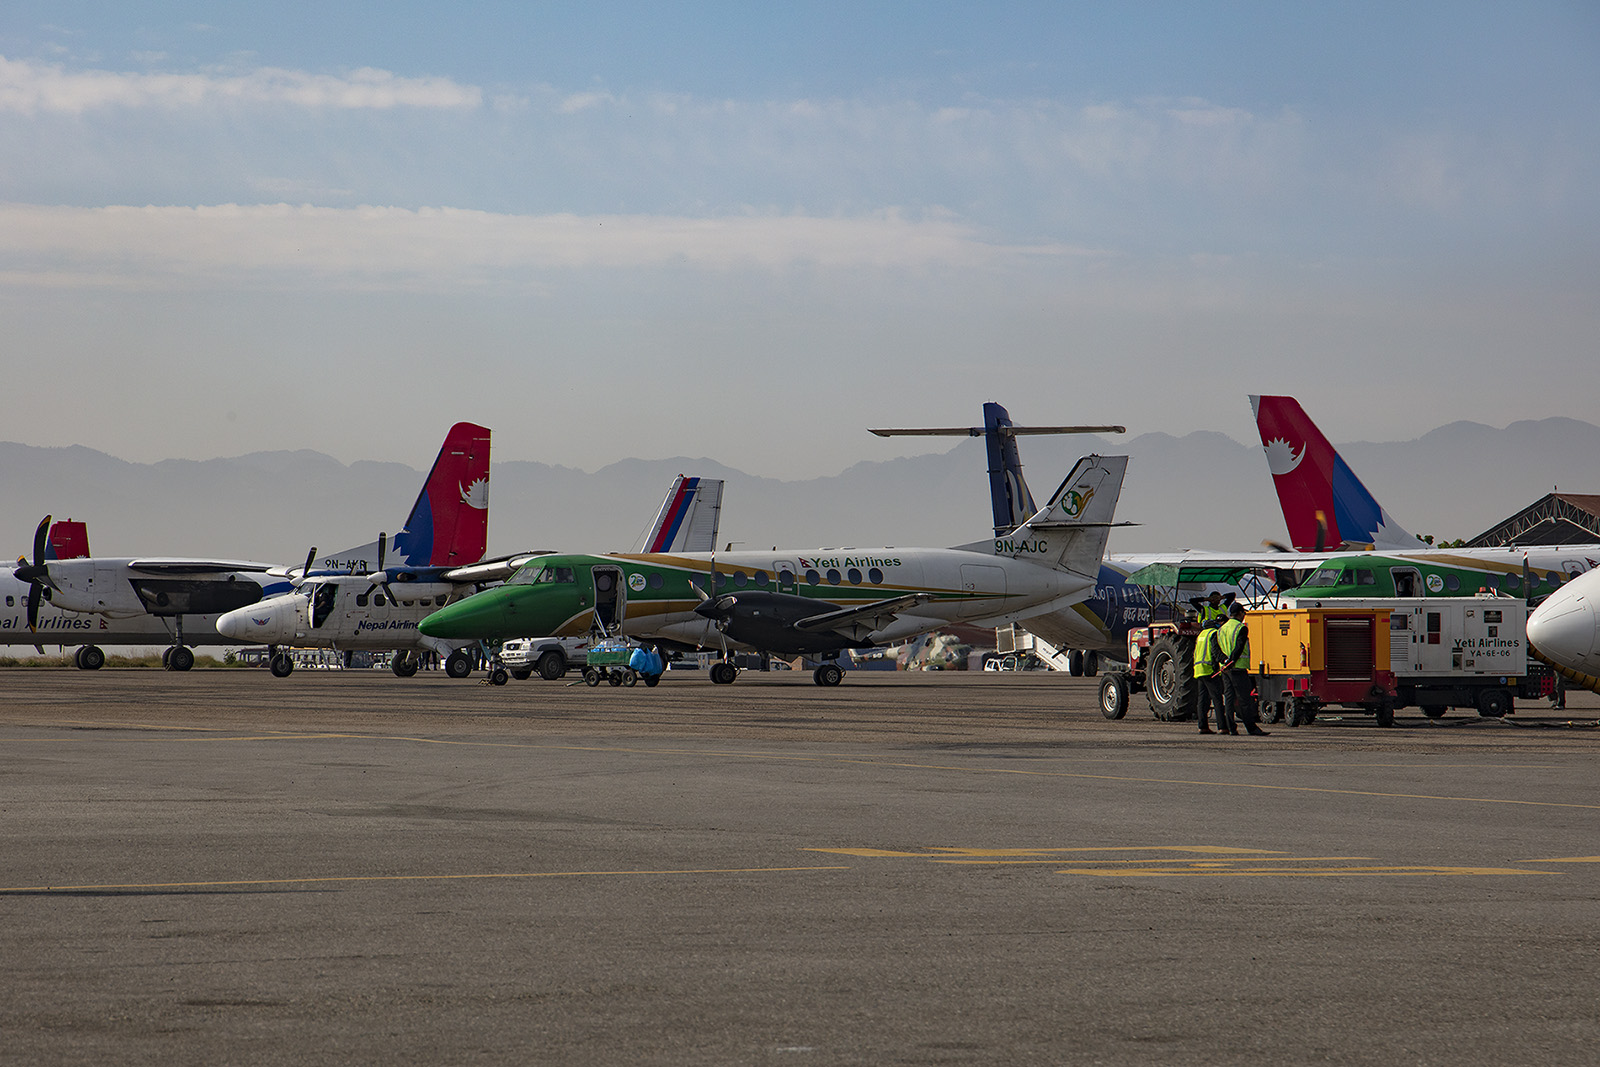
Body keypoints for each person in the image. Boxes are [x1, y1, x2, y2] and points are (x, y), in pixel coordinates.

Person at [1216, 603, 1268, 736]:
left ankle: (1231, 728)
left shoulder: (1221, 629)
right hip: (1238, 668)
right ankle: (1251, 728)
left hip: (1225, 670)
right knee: (1244, 700)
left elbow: (1217, 649)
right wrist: (1232, 661)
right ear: (1239, 613)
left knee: (1229, 698)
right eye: (1243, 613)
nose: (1244, 615)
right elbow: (1239, 647)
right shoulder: (1241, 628)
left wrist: (1225, 661)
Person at [1192, 619, 1229, 734]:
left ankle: (1202, 726)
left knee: (1203, 700)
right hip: (1209, 670)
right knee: (1217, 699)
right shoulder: (1213, 633)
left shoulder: (1201, 635)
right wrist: (1225, 660)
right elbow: (1215, 651)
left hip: (1199, 670)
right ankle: (1222, 727)